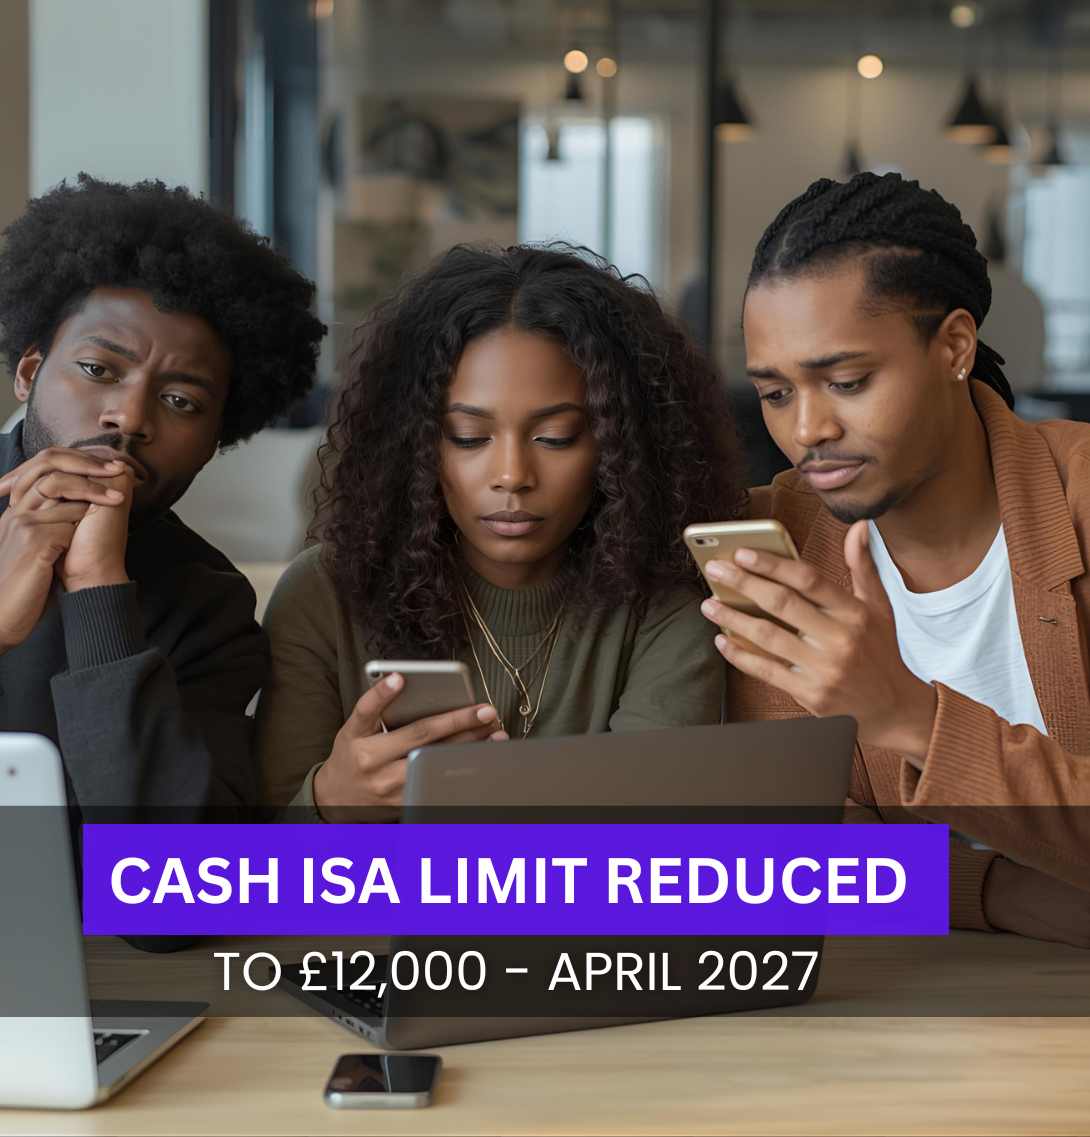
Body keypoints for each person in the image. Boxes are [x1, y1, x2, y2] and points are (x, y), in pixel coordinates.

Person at [703, 172, 1090, 947]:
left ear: (955, 345)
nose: (807, 430)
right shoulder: (773, 547)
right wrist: (989, 891)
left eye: (847, 381)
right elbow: (786, 854)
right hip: (894, 1007)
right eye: (775, 393)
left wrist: (914, 719)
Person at [254, 243, 743, 820]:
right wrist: (329, 801)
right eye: (467, 436)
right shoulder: (322, 596)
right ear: (414, 444)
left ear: (620, 445)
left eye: (556, 436)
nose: (512, 476)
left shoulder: (666, 608)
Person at [0, 175, 325, 820]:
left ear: (217, 437)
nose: (129, 417)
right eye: (98, 370)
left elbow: (171, 905)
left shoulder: (206, 605)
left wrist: (101, 597)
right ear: (29, 373)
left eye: (181, 401)